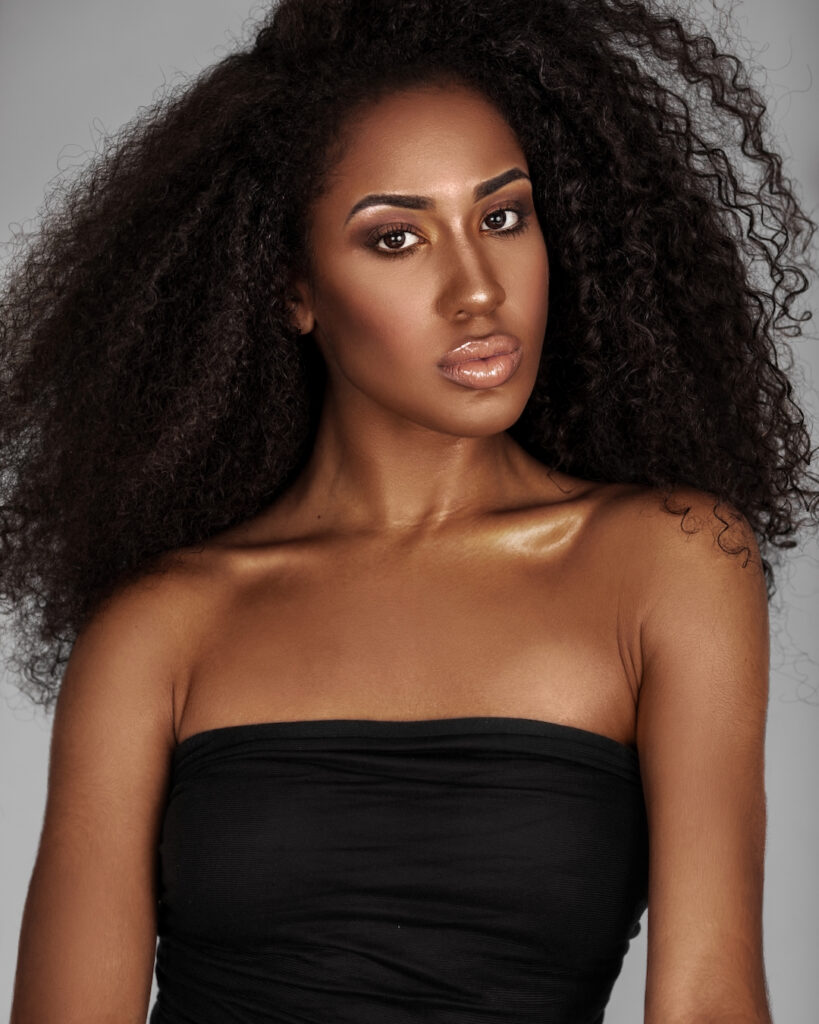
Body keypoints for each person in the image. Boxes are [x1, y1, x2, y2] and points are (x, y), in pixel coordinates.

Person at [3, 0, 817, 1021]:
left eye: (503, 217)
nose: (477, 289)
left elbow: (709, 1001)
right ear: (293, 287)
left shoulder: (670, 563)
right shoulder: (162, 629)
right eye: (396, 238)